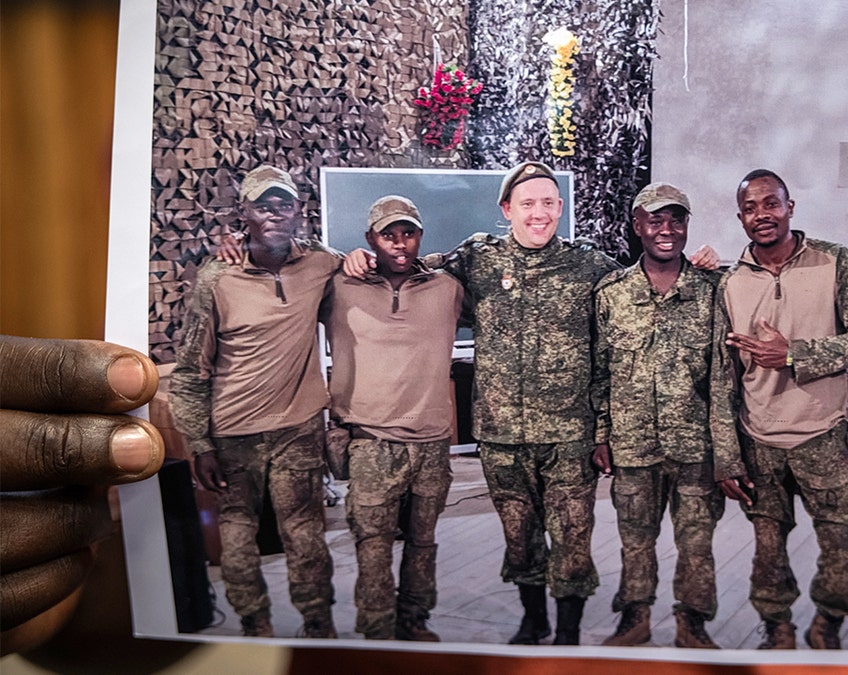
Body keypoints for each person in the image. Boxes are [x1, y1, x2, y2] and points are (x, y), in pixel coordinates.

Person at [346, 160, 621, 645]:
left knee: (573, 539)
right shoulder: (478, 258)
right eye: (528, 204)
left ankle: (569, 635)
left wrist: (698, 265)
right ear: (507, 209)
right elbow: (410, 268)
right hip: (501, 437)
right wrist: (354, 259)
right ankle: (533, 619)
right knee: (520, 539)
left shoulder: (588, 264)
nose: (539, 213)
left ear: (560, 207)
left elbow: (640, 290)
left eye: (548, 203)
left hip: (569, 436)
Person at [711, 169, 848, 650]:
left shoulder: (833, 261)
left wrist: (794, 356)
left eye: (771, 203)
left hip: (822, 432)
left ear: (790, 206)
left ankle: (829, 621)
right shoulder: (730, 282)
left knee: (836, 539)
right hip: (758, 435)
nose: (761, 215)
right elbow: (721, 376)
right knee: (767, 547)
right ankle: (777, 627)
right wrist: (727, 455)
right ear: (740, 216)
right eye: (750, 207)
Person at [169, 165, 340, 638]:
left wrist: (365, 256)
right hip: (233, 433)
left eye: (284, 203)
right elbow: (189, 369)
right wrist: (199, 444)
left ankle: (318, 623)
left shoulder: (320, 264)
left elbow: (360, 268)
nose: (275, 213)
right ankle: (254, 623)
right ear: (243, 213)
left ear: (298, 211)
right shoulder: (216, 278)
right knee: (238, 532)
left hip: (299, 427)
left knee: (306, 534)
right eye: (263, 204)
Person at [590, 183, 743, 649]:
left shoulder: (711, 291)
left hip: (694, 444)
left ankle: (691, 623)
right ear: (637, 226)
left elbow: (722, 379)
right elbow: (599, 371)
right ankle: (634, 618)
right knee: (635, 540)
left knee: (697, 543)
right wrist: (601, 434)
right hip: (633, 445)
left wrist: (726, 453)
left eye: (676, 220)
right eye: (655, 220)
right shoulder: (611, 293)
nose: (667, 229)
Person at [322, 196, 465, 641]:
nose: (399, 243)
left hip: (431, 440)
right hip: (369, 441)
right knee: (373, 545)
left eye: (408, 233)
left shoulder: (449, 289)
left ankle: (414, 619)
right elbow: (293, 263)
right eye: (388, 234)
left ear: (420, 236)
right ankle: (377, 631)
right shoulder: (337, 286)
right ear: (370, 239)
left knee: (423, 543)